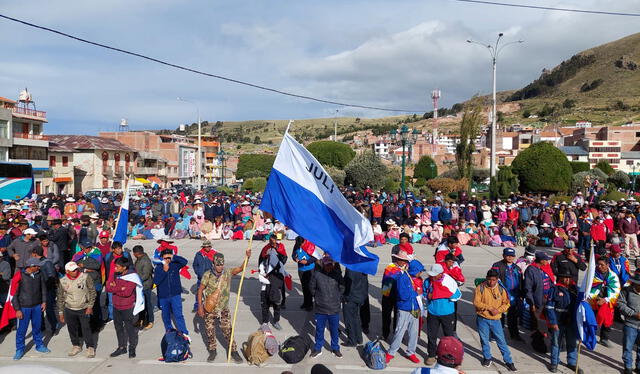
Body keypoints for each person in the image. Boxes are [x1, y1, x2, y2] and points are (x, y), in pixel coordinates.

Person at [196, 250, 250, 363]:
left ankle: (233, 351)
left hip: (223, 309)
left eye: (221, 264)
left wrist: (247, 257)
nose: (220, 267)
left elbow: (240, 269)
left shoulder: (227, 273)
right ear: (213, 264)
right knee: (209, 330)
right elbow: (200, 289)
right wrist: (200, 306)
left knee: (228, 331)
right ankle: (212, 350)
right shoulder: (207, 275)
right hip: (209, 308)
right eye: (218, 264)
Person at [473, 269, 517, 372]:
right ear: (486, 278)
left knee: (501, 341)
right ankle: (487, 358)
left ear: (497, 280)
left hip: (496, 320)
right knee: (484, 340)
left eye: (493, 280)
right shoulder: (480, 288)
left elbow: (506, 303)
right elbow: (476, 302)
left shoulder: (501, 290)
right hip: (482, 319)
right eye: (489, 279)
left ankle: (508, 361)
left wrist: (498, 310)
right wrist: (489, 308)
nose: (491, 282)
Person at [386, 253, 421, 364]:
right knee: (400, 331)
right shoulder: (402, 277)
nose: (421, 273)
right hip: (404, 309)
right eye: (420, 271)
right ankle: (391, 352)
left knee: (414, 332)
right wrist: (416, 294)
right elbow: (403, 295)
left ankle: (411, 352)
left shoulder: (417, 278)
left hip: (415, 309)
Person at [12, 257, 50, 360]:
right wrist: (17, 309)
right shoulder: (20, 276)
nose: (39, 267)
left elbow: (43, 289)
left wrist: (44, 302)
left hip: (37, 306)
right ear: (31, 266)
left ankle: (39, 345)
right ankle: (19, 349)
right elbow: (14, 295)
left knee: (37, 327)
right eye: (37, 266)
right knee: (21, 330)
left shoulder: (39, 274)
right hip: (24, 308)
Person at [57, 261, 97, 358]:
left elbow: (92, 291)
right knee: (72, 329)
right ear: (67, 271)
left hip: (83, 308)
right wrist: (61, 312)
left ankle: (90, 347)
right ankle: (76, 345)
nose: (75, 271)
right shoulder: (63, 281)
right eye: (72, 270)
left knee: (86, 328)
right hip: (69, 308)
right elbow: (60, 297)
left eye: (76, 269)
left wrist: (90, 306)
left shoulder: (85, 277)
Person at [424, 263, 461, 365]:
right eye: (431, 274)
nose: (432, 277)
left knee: (449, 336)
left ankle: (449, 356)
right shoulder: (427, 281)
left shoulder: (449, 281)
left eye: (434, 275)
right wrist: (428, 296)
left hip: (447, 313)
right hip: (432, 312)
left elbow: (457, 295)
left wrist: (442, 294)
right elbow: (424, 294)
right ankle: (431, 355)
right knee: (432, 335)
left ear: (441, 274)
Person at [546, 270, 582, 374]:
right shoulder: (554, 289)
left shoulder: (575, 290)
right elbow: (549, 307)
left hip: (571, 321)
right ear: (560, 278)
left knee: (572, 343)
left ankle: (572, 362)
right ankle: (554, 362)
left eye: (569, 277)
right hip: (558, 321)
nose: (567, 279)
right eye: (564, 277)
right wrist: (553, 322)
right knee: (556, 343)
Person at [106, 257, 142, 358]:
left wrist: (115, 288)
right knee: (118, 328)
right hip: (116, 306)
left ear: (124, 267)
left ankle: (132, 348)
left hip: (127, 307)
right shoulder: (114, 274)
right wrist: (120, 288)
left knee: (130, 329)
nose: (115, 268)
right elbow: (108, 287)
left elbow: (127, 293)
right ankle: (121, 347)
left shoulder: (132, 277)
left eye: (117, 267)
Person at [309, 255, 344, 359]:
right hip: (321, 308)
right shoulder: (317, 274)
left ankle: (335, 348)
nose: (329, 266)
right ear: (323, 265)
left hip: (334, 308)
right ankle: (318, 348)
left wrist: (337, 297)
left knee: (334, 330)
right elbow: (311, 287)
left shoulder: (337, 275)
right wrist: (318, 297)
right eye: (326, 264)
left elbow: (342, 287)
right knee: (319, 329)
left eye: (330, 264)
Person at [153, 248, 189, 337]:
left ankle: (183, 332)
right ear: (161, 258)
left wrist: (173, 256)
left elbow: (184, 261)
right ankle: (169, 330)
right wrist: (164, 271)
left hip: (175, 295)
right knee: (166, 315)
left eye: (169, 258)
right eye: (165, 258)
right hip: (163, 296)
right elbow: (156, 281)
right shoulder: (158, 268)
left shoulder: (175, 265)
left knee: (178, 315)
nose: (167, 260)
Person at [491, 247, 524, 341]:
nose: (510, 257)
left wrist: (521, 295)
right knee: (499, 316)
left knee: (513, 316)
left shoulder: (517, 268)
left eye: (512, 256)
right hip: (501, 296)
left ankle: (514, 334)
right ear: (503, 255)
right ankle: (496, 335)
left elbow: (521, 282)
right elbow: (492, 280)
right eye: (508, 255)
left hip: (514, 296)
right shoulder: (497, 266)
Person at [587, 256, 621, 347]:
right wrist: (592, 297)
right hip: (593, 301)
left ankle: (604, 338)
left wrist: (605, 299)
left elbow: (616, 290)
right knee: (591, 320)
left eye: (602, 265)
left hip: (607, 301)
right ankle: (590, 336)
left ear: (607, 265)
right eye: (598, 264)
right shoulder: (592, 274)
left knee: (607, 320)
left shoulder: (613, 276)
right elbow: (587, 287)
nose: (599, 266)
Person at [258, 236, 287, 330]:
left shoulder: (280, 248)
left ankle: (276, 321)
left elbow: (284, 259)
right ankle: (265, 322)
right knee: (265, 305)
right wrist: (264, 276)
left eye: (274, 240)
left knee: (277, 304)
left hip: (277, 284)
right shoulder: (265, 251)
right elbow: (260, 265)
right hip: (266, 286)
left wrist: (276, 249)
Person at [524, 251, 554, 332]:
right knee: (535, 320)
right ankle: (536, 338)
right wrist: (532, 303)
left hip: (547, 299)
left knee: (549, 318)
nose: (547, 262)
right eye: (546, 260)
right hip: (537, 300)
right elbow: (528, 288)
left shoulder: (544, 269)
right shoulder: (531, 270)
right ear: (541, 261)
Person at [32, 246, 59, 333]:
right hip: (38, 290)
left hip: (48, 290)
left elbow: (52, 277)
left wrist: (45, 287)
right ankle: (42, 326)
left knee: (49, 309)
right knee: (39, 310)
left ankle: (54, 326)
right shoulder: (35, 263)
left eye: (32, 253)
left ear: (35, 254)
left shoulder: (47, 263)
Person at [618, 270, 640, 374]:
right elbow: (620, 305)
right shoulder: (626, 291)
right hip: (630, 324)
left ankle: (639, 366)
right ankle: (628, 367)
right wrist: (634, 314)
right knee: (628, 347)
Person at [103, 241, 131, 322]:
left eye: (120, 248)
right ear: (113, 249)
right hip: (111, 280)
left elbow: (130, 267)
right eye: (118, 249)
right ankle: (111, 316)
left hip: (122, 280)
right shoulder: (108, 257)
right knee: (111, 300)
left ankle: (122, 316)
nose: (120, 250)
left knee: (121, 300)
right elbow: (105, 268)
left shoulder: (126, 255)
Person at [381, 252, 405, 340]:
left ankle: (397, 334)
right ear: (397, 259)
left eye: (404, 260)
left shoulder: (406, 268)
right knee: (386, 315)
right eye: (401, 260)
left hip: (399, 296)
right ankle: (385, 334)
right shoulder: (390, 267)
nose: (403, 262)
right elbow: (386, 282)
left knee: (398, 316)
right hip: (388, 295)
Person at [342, 267, 368, 347]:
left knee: (349, 319)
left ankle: (352, 341)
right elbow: (365, 284)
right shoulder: (363, 268)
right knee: (356, 317)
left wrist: (345, 297)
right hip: (359, 296)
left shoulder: (350, 268)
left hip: (351, 297)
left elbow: (349, 284)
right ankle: (359, 338)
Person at [132, 245, 154, 329]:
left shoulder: (145, 261)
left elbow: (146, 275)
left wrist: (136, 280)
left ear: (137, 253)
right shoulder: (139, 259)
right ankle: (141, 319)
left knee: (148, 304)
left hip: (145, 286)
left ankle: (150, 321)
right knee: (140, 304)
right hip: (139, 285)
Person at [292, 237, 316, 311]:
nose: (299, 245)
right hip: (301, 269)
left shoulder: (310, 245)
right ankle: (305, 302)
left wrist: (307, 262)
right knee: (304, 287)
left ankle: (310, 304)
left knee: (310, 287)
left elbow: (315, 258)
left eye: (301, 244)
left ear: (304, 242)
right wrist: (295, 258)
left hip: (309, 269)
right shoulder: (297, 245)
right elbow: (293, 255)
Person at [192, 239, 216, 312]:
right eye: (205, 247)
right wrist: (198, 272)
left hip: (211, 278)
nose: (207, 248)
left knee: (211, 293)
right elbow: (195, 264)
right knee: (199, 292)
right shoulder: (199, 254)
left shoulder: (214, 254)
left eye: (208, 246)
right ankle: (197, 307)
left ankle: (211, 306)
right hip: (201, 277)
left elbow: (217, 265)